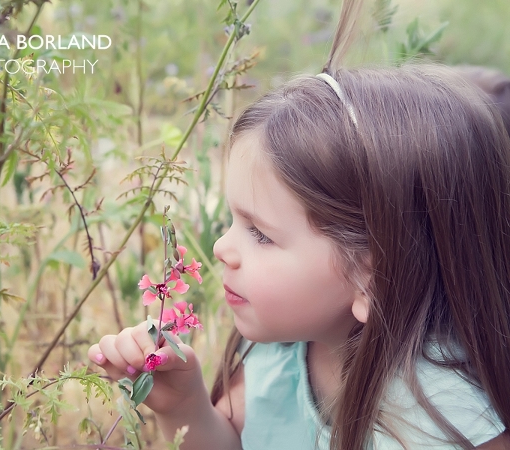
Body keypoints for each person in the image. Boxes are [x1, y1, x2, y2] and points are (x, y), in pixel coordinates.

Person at [87, 1, 510, 448]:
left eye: (261, 234)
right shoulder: (281, 349)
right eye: (233, 220)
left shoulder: (447, 418)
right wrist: (185, 406)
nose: (220, 249)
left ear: (372, 277)